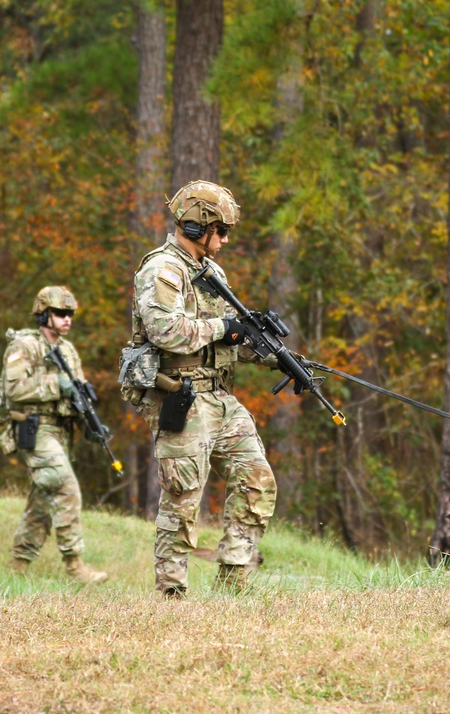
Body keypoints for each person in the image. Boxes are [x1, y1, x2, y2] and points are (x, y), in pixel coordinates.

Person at [128, 180, 277, 597]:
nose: (226, 240)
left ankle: (233, 587)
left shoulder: (211, 272)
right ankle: (171, 598)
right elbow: (165, 331)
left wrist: (266, 349)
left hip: (220, 397)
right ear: (197, 228)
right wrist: (225, 328)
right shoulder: (163, 269)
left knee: (257, 481)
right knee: (182, 499)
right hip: (182, 394)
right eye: (221, 231)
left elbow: (228, 340)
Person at [0, 286, 109, 585]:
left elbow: (78, 395)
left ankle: (17, 569)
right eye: (60, 313)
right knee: (64, 487)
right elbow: (14, 389)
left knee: (43, 500)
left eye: (70, 314)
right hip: (34, 428)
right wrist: (56, 383)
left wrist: (91, 426)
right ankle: (75, 567)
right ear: (44, 314)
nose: (67, 319)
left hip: (61, 432)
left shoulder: (69, 351)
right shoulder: (23, 345)